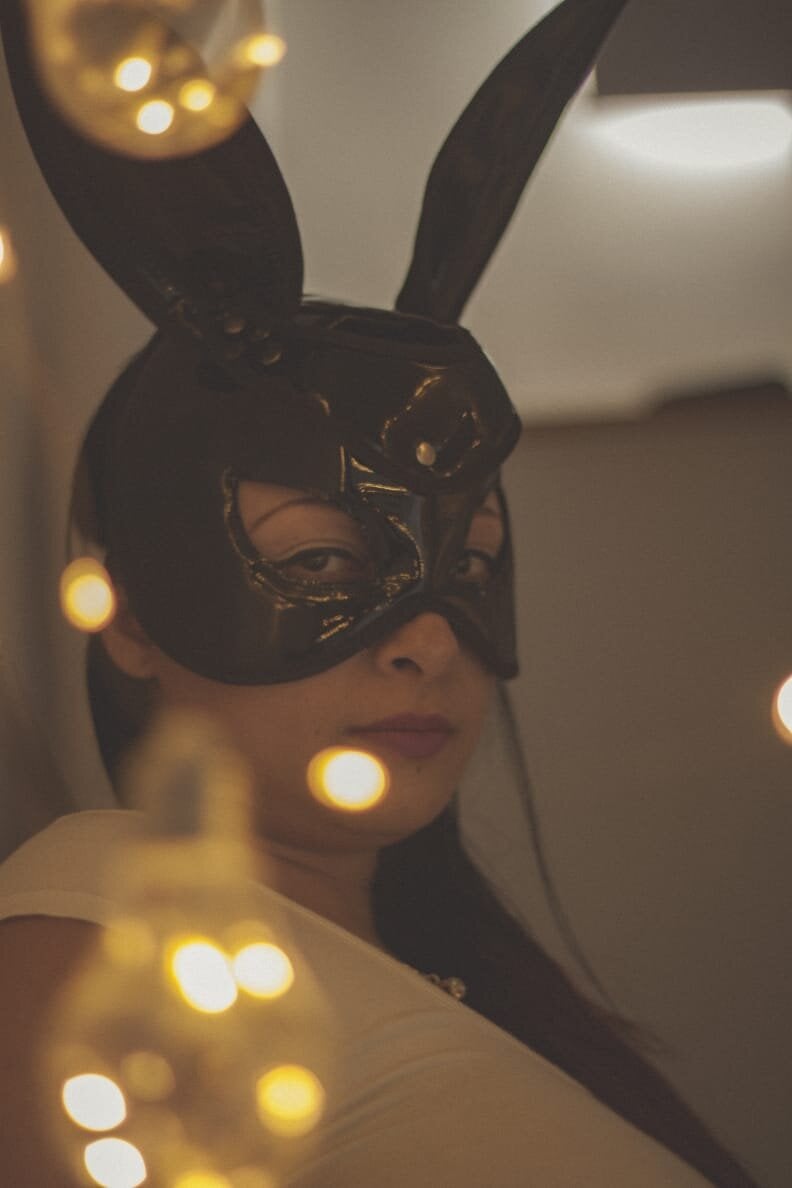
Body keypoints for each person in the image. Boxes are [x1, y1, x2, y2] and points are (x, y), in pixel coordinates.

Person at [0, 0, 763, 1184]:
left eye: (469, 565)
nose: (428, 643)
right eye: (318, 563)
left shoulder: (427, 961)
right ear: (132, 614)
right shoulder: (96, 944)